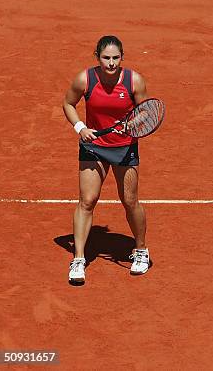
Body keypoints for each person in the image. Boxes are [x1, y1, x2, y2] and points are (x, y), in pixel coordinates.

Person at [62, 35, 151, 284]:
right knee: (87, 200)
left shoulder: (134, 81)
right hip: (94, 146)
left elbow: (147, 112)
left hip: (124, 148)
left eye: (115, 58)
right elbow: (68, 103)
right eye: (106, 58)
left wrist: (131, 125)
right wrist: (80, 127)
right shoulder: (85, 79)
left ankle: (141, 250)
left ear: (122, 57)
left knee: (130, 201)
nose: (111, 63)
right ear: (97, 57)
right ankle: (78, 258)